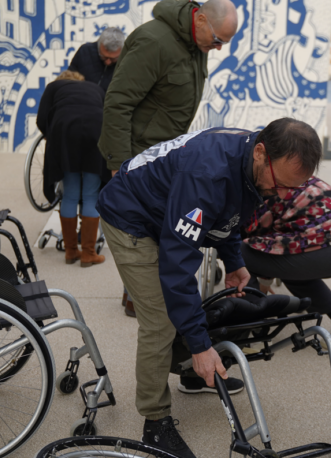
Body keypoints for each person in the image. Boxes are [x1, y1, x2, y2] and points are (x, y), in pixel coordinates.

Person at [98, 117, 321, 458]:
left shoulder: (254, 162)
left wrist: (233, 261)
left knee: (187, 307)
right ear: (261, 152)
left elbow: (226, 214)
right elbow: (177, 265)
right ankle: (155, 422)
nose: (281, 196)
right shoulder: (207, 174)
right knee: (159, 318)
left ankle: (188, 371)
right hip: (131, 217)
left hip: (165, 212)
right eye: (280, 186)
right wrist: (202, 346)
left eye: (293, 189)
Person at [99, 0, 237, 316]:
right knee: (143, 229)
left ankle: (139, 297)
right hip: (139, 158)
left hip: (167, 154)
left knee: (160, 228)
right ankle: (142, 300)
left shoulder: (195, 45)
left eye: (223, 44)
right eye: (217, 40)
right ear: (200, 19)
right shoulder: (154, 41)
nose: (216, 49)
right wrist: (120, 165)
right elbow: (118, 103)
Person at [242, 176, 331, 348]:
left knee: (237, 252)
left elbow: (256, 241)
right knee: (293, 264)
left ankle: (256, 332)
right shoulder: (295, 170)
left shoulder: (262, 185)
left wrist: (262, 281)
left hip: (329, 248)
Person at [36, 70, 110, 267]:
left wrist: (50, 136)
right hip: (96, 130)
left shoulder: (53, 87)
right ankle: (88, 254)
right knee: (91, 195)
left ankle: (70, 252)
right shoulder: (95, 87)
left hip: (65, 131)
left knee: (69, 194)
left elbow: (42, 119)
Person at [68, 27, 126, 92]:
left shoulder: (127, 62)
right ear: (99, 45)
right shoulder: (84, 52)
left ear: (122, 51)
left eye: (113, 59)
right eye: (104, 57)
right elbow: (69, 78)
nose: (108, 62)